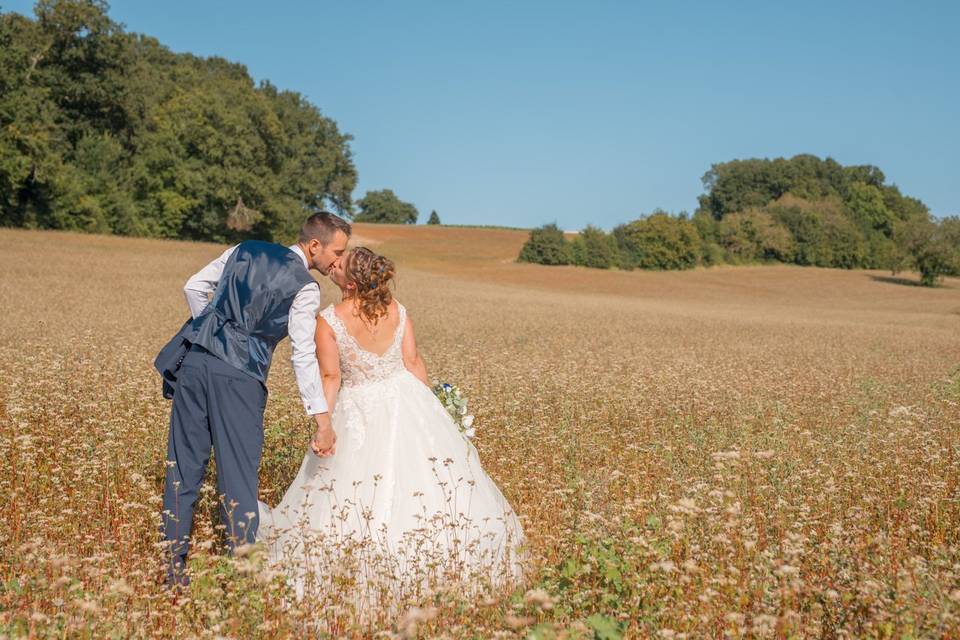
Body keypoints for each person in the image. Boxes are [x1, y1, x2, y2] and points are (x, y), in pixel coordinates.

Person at [257, 247, 525, 605]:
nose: (332, 268)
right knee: (428, 484)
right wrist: (436, 414)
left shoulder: (329, 320)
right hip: (407, 401)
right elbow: (413, 363)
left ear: (350, 283)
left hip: (359, 409)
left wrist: (324, 425)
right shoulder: (398, 311)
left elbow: (331, 376)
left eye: (338, 266)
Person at [156, 212, 350, 589]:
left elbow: (194, 287)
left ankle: (171, 573)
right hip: (240, 379)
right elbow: (302, 355)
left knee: (181, 470)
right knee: (238, 479)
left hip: (195, 363)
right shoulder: (305, 286)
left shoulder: (244, 249)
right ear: (315, 245)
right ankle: (239, 578)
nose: (336, 261)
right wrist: (321, 418)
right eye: (336, 252)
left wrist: (214, 332)